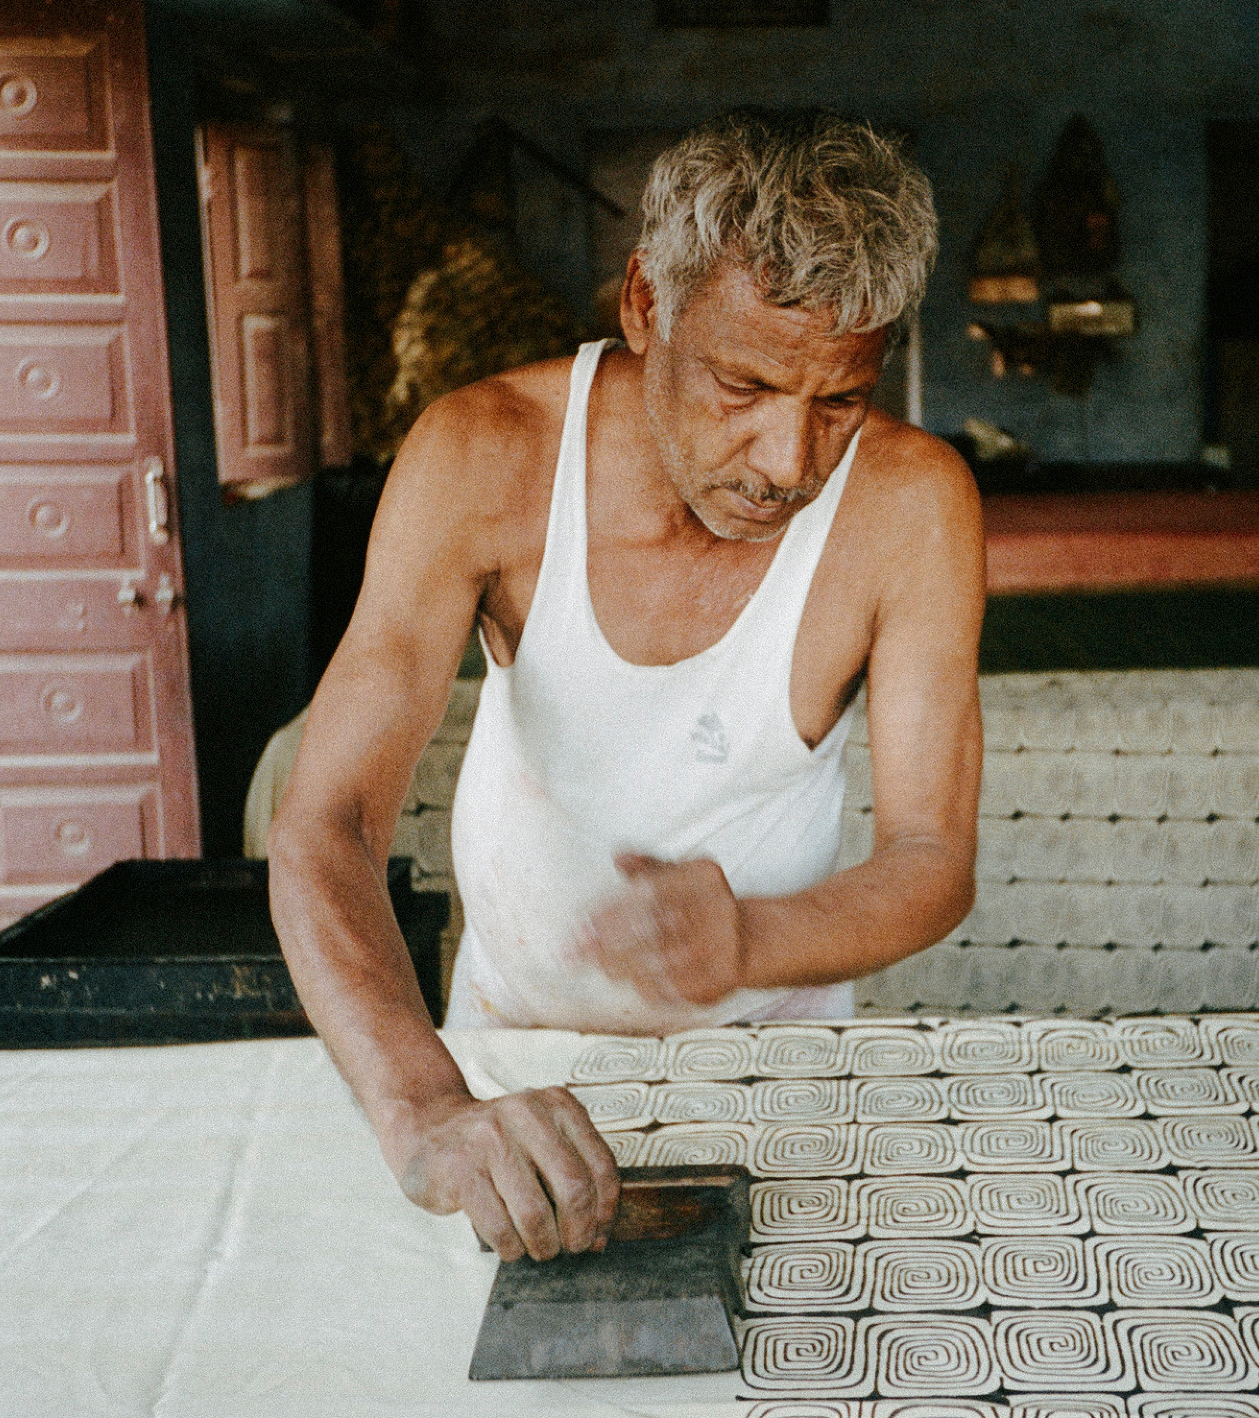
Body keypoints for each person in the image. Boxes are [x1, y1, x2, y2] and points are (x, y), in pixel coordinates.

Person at [269, 110, 983, 1267]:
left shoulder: (913, 504)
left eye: (839, 403)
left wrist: (747, 939)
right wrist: (425, 1107)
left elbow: (932, 859)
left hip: (778, 1059)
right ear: (647, 304)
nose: (787, 463)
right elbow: (326, 822)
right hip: (509, 1051)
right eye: (743, 384)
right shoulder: (483, 456)